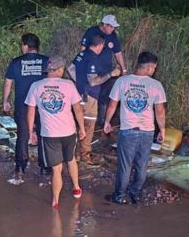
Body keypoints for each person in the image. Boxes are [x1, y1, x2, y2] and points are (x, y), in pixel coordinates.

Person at [103, 52, 167, 205]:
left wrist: (107, 122)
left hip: (128, 131)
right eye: (154, 68)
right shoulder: (156, 85)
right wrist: (162, 130)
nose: (154, 70)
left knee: (125, 166)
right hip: (147, 131)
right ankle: (135, 193)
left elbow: (112, 105)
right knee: (141, 165)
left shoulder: (122, 81)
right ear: (149, 68)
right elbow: (160, 111)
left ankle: (119, 196)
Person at [25, 56, 86, 208]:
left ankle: (55, 202)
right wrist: (82, 129)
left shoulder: (36, 86)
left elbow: (31, 111)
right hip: (69, 132)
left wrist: (31, 132)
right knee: (71, 159)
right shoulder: (68, 85)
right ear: (59, 70)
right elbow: (78, 109)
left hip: (49, 134)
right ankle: (76, 188)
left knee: (56, 169)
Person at [69, 33, 121, 163]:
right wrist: (111, 74)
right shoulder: (93, 58)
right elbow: (93, 82)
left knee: (78, 123)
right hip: (89, 96)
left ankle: (75, 154)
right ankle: (85, 156)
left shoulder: (82, 54)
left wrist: (79, 83)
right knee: (88, 124)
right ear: (100, 45)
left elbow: (70, 68)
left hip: (78, 93)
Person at [2, 33, 49, 175]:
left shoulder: (16, 62)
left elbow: (8, 83)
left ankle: (21, 166)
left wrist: (5, 101)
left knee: (23, 134)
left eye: (22, 45)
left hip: (22, 104)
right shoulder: (47, 61)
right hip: (43, 103)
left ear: (25, 46)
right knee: (43, 133)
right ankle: (45, 165)